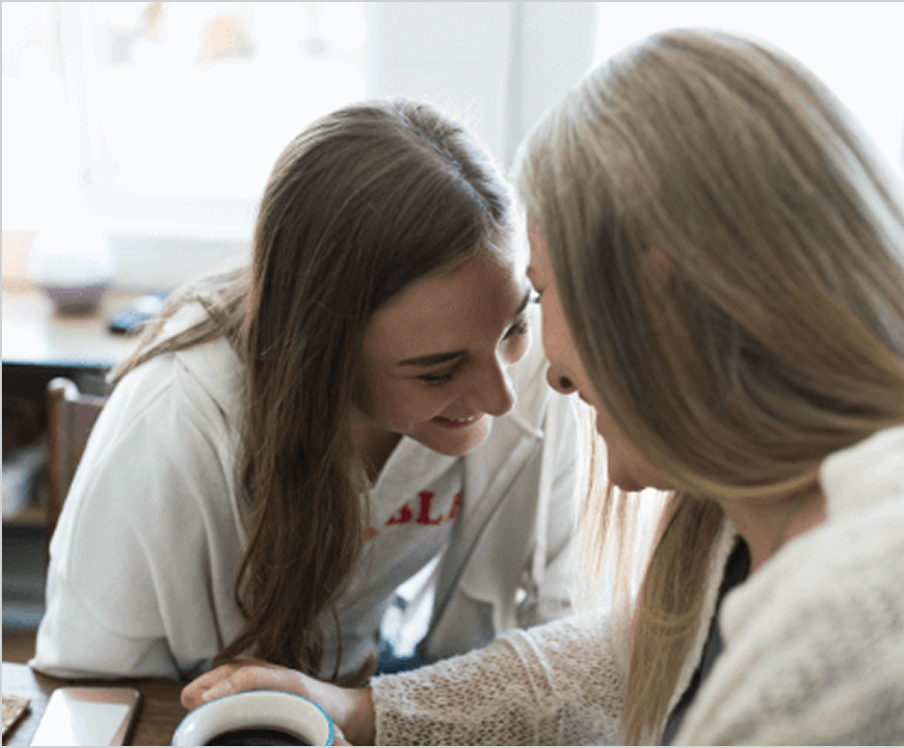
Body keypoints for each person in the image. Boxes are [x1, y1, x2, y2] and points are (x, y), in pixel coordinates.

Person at [182, 28, 904, 745]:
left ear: (660, 302)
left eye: (543, 294)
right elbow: (632, 654)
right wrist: (361, 711)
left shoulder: (849, 629)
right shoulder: (748, 522)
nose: (549, 376)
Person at [32, 99, 580, 684]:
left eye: (515, 328)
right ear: (321, 351)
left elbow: (561, 620)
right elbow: (89, 693)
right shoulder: (170, 423)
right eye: (438, 371)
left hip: (374, 683)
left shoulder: (527, 362)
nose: (502, 398)